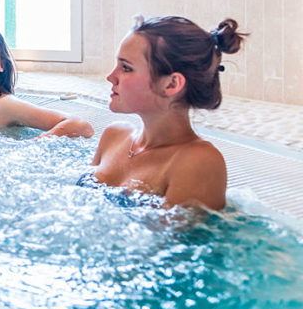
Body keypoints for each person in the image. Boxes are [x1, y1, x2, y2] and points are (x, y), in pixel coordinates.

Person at [89, 16, 247, 210]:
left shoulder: (197, 162)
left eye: (126, 68)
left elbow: (173, 239)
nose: (111, 77)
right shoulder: (114, 136)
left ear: (171, 84)